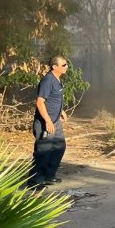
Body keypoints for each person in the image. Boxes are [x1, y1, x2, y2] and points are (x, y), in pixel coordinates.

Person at [28, 55, 69, 188]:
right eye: (63, 65)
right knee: (43, 151)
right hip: (45, 123)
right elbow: (40, 102)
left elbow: (54, 98)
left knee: (59, 147)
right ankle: (35, 181)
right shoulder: (48, 80)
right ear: (54, 67)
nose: (66, 67)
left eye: (66, 64)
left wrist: (61, 111)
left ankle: (49, 175)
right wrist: (48, 121)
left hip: (55, 121)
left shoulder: (57, 80)